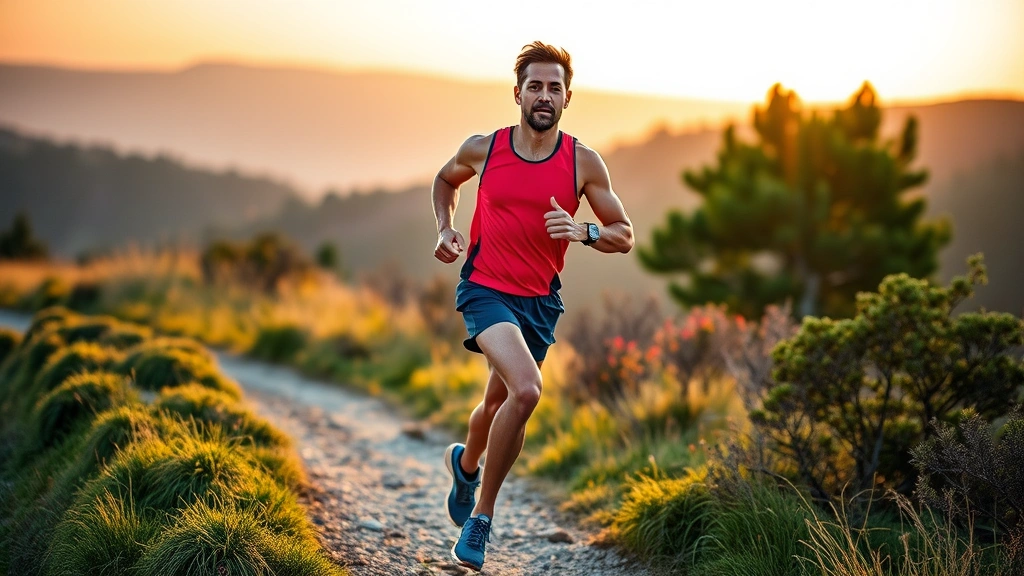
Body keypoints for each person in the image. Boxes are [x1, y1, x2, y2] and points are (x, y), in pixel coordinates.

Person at [431, 41, 634, 572]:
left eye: (555, 87)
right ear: (517, 92)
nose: (545, 95)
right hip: (485, 287)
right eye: (535, 86)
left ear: (568, 98)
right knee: (526, 390)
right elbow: (444, 181)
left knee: (499, 406)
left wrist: (583, 230)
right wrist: (447, 228)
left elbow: (625, 234)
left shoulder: (582, 163)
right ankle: (482, 518)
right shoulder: (486, 148)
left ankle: (466, 461)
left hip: (539, 302)